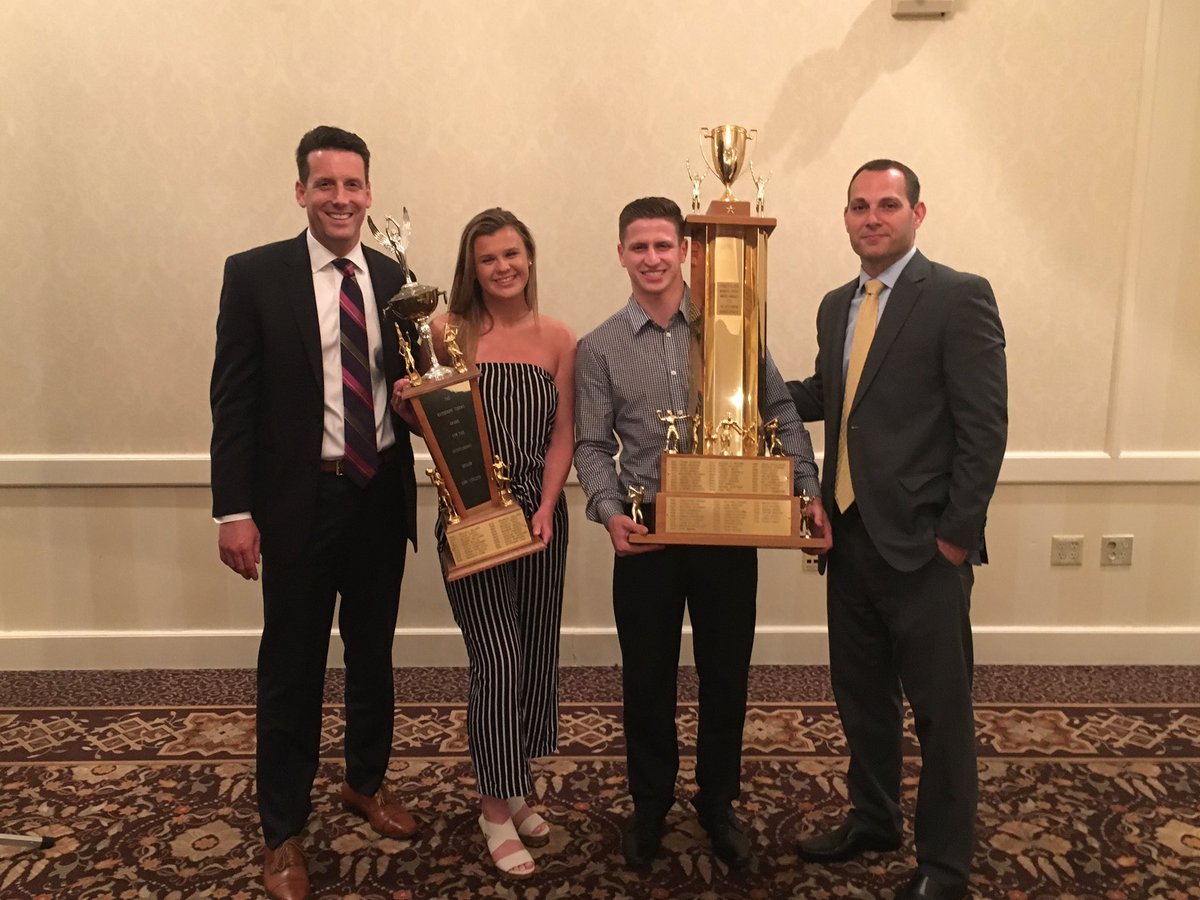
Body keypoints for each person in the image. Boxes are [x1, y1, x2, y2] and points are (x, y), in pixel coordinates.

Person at [574, 197, 824, 872]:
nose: (652, 258)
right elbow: (592, 445)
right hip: (648, 531)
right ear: (621, 254)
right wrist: (606, 509)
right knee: (646, 679)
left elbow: (779, 410)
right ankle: (650, 803)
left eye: (664, 245)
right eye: (639, 247)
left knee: (725, 674)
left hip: (728, 524)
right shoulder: (597, 348)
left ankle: (718, 802)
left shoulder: (730, 328)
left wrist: (807, 485)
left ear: (685, 250)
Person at [786, 160, 1007, 900]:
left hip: (924, 550)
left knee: (942, 715)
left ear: (918, 212)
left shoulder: (956, 297)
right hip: (846, 540)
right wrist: (737, 387)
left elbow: (984, 429)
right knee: (862, 699)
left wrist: (953, 538)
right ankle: (873, 818)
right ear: (844, 217)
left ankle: (944, 867)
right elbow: (831, 393)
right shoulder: (832, 305)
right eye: (858, 206)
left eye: (887, 204)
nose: (871, 217)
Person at [210, 125, 420, 900]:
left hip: (378, 496)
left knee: (373, 657)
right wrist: (234, 509)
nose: (341, 198)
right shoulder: (256, 275)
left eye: (353, 185)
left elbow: (415, 388)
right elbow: (233, 402)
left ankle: (365, 782)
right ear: (301, 191)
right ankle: (283, 832)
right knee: (292, 669)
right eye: (325, 185)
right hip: (298, 502)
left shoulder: (398, 279)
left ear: (369, 192)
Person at [397, 208, 575, 879]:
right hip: (468, 520)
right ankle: (493, 809)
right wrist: (406, 402)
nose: (502, 268)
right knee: (496, 660)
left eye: (512, 255)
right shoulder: (445, 331)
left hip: (536, 519)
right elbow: (433, 422)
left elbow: (563, 435)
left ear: (529, 257)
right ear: (471, 269)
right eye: (488, 259)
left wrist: (551, 506)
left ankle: (514, 783)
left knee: (530, 654)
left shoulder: (559, 337)